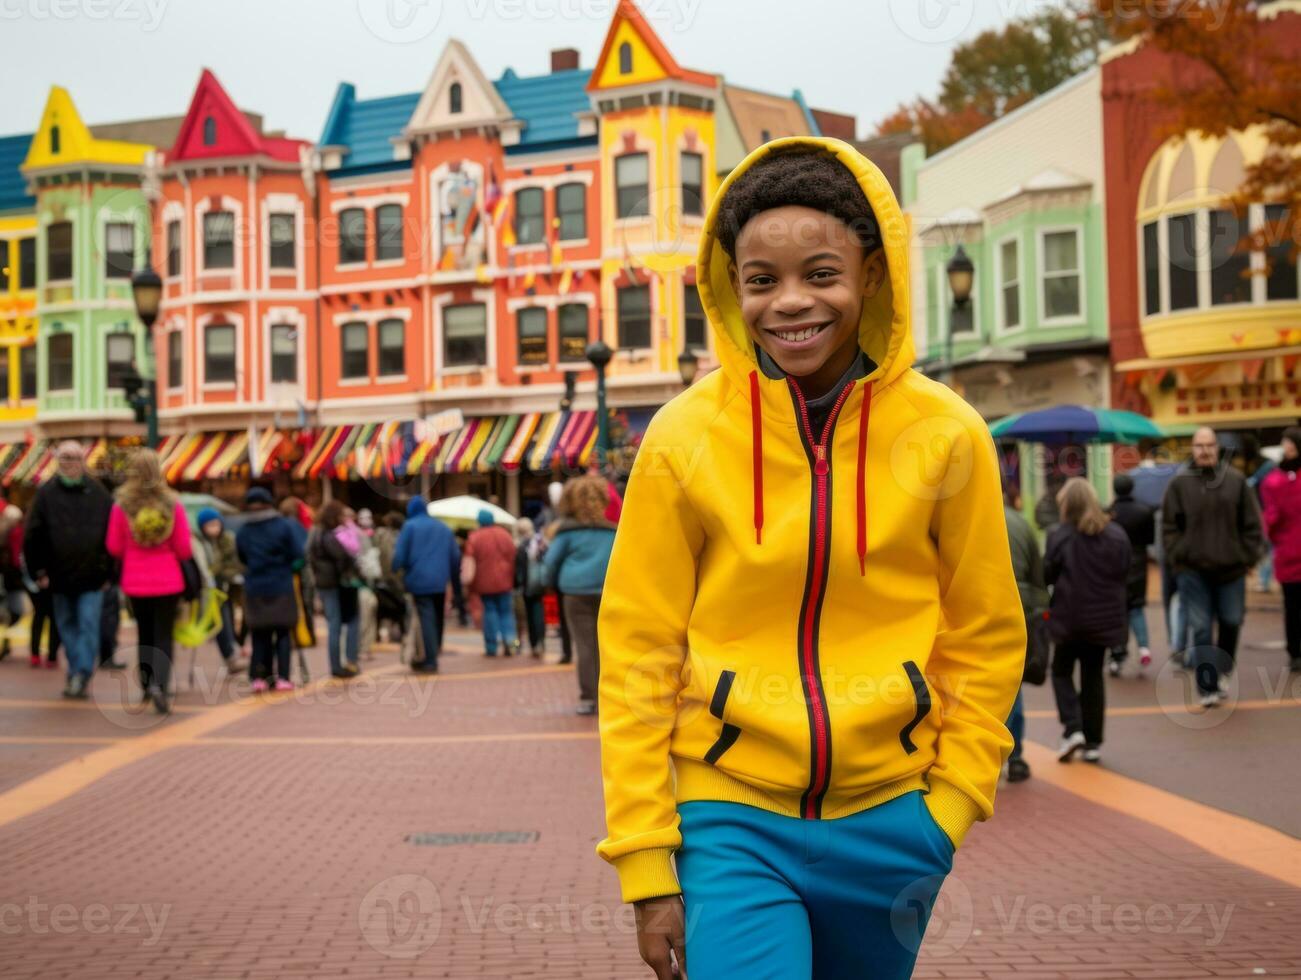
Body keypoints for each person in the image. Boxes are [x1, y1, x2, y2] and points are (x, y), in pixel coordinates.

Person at [597, 140, 1024, 980]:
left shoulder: (947, 434)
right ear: (730, 287)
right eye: (761, 280)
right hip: (728, 814)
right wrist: (646, 861)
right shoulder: (682, 438)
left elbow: (986, 633)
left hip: (894, 821)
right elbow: (638, 648)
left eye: (819, 273)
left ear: (871, 275)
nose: (789, 303)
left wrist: (948, 807)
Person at [1162, 426, 1263, 707]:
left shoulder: (1235, 481)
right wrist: (1179, 555)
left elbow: (1252, 525)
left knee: (1231, 621)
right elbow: (1169, 527)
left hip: (1231, 571)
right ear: (1192, 449)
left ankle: (1224, 670)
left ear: (1217, 448)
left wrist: (1247, 557)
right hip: (1193, 571)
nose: (1204, 451)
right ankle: (1207, 687)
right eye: (1199, 446)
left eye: (1209, 445)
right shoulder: (1179, 485)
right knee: (1201, 628)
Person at [1045, 478, 1131, 764]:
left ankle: (1073, 728)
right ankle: (1093, 740)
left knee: (1060, 671)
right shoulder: (1116, 535)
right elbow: (1124, 572)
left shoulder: (1060, 535)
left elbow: (1047, 574)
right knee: (1093, 675)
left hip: (1070, 618)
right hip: (1104, 618)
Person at [105, 450, 193, 715]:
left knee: (144, 632)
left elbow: (114, 547)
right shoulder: (172, 503)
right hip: (168, 579)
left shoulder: (122, 505)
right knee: (164, 634)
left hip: (135, 579)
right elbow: (184, 548)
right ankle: (162, 686)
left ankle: (145, 685)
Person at [23, 441, 114, 699]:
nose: (70, 462)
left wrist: (109, 572)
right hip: (58, 576)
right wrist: (38, 571)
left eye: (74, 457)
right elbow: (33, 535)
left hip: (92, 577)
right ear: (57, 461)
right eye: (65, 458)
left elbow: (113, 534)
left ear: (83, 460)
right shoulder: (46, 494)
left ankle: (81, 672)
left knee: (87, 624)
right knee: (66, 626)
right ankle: (76, 669)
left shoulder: (99, 494)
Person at [545, 476, 616, 715]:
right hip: (608, 591)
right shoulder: (612, 532)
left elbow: (550, 563)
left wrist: (550, 585)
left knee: (584, 646)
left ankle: (588, 697)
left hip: (575, 591)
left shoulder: (567, 533)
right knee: (607, 646)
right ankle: (609, 695)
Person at [235, 487, 304, 691]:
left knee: (259, 634)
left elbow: (242, 556)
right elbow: (297, 553)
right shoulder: (283, 525)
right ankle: (283, 677)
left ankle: (259, 677)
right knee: (283, 632)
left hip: (255, 587)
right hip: (281, 584)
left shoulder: (244, 530)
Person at [1003, 487, 1047, 784]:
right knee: (1013, 683)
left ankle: (978, 755)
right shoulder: (1021, 523)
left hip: (978, 608)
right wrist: (1040, 608)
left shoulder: (971, 517)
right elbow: (1037, 571)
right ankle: (1016, 755)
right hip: (1020, 607)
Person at [392, 496, 460, 674]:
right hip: (440, 580)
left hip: (418, 580)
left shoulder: (410, 526)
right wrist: (454, 584)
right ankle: (435, 649)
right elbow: (455, 558)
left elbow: (399, 556)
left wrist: (395, 570)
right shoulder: (443, 528)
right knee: (437, 618)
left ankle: (430, 659)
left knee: (426, 618)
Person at [1261, 426, 1301, 674]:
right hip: (1289, 555)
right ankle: (1295, 652)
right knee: (1292, 606)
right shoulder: (1273, 480)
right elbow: (1271, 519)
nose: (1287, 448)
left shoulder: (1273, 480)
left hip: (1287, 550)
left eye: (1290, 443)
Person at [1108, 473, 1156, 676]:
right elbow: (1150, 539)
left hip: (1113, 565)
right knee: (1136, 606)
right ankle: (1144, 648)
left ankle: (1118, 654)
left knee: (1116, 610)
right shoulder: (1144, 511)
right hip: (1138, 563)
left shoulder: (1109, 513)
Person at [310, 500, 362, 679]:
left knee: (334, 624)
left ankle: (337, 664)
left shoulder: (315, 533)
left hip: (323, 584)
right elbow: (343, 557)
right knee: (339, 625)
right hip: (335, 584)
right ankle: (341, 664)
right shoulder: (330, 535)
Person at [194, 507, 245, 673]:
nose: (214, 528)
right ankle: (230, 656)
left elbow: (234, 563)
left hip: (230, 586)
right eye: (209, 525)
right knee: (221, 623)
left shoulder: (228, 539)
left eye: (216, 524)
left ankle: (235, 650)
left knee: (232, 619)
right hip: (211, 590)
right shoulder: (201, 544)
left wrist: (221, 572)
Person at [463, 509, 519, 658]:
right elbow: (514, 555)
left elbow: (469, 562)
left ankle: (491, 647)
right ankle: (512, 645)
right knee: (507, 613)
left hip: (484, 583)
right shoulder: (505, 535)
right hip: (505, 581)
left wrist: (468, 584)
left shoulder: (474, 537)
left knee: (490, 612)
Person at [515, 517, 548, 658]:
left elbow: (518, 569)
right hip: (540, 582)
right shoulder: (540, 541)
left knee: (529, 614)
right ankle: (541, 641)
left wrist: (518, 583)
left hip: (527, 584)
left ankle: (534, 643)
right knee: (539, 611)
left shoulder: (520, 545)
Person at [0, 504, 25, 661]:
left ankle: (5, 643)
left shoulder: (14, 532)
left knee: (12, 612)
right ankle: (5, 643)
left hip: (11, 578)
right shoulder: (10, 532)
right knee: (11, 612)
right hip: (9, 578)